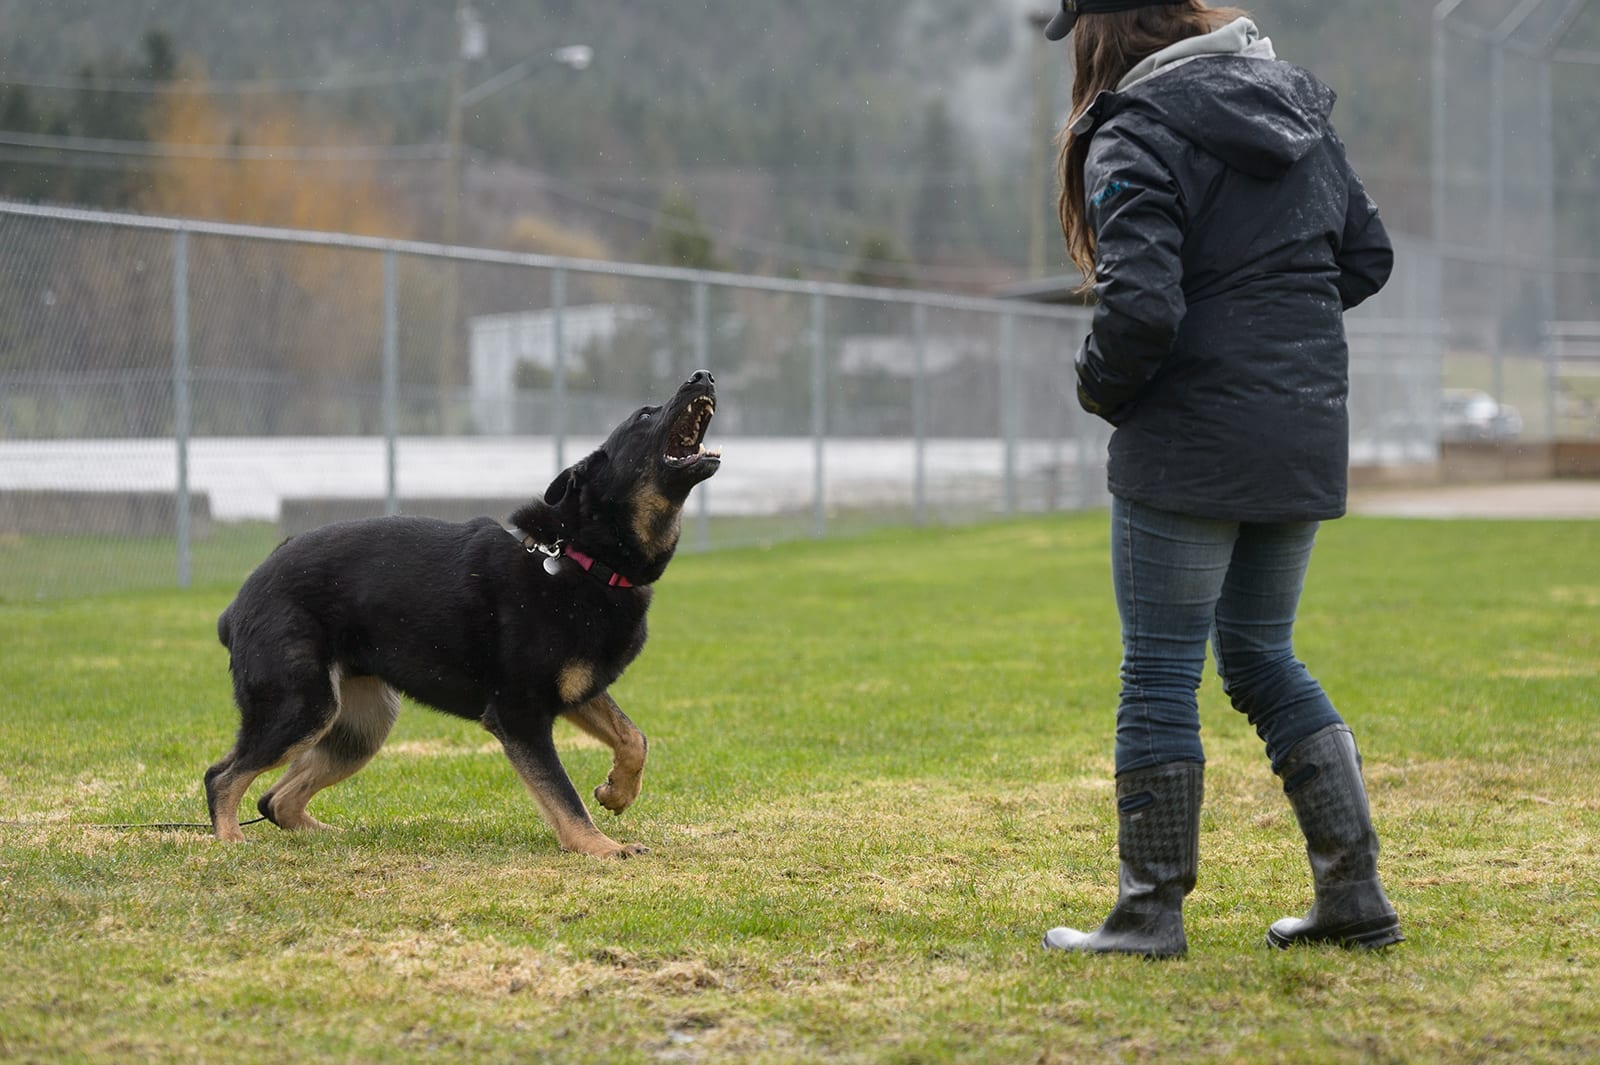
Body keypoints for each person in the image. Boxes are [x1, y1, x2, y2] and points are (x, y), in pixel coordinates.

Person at [1035, 0, 1403, 957]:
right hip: (1301, 437)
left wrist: (1097, 388)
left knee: (1160, 670)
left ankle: (1149, 914)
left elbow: (1141, 311)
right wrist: (1273, 314)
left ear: (1098, 39)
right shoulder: (1295, 111)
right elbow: (1365, 255)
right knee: (1261, 656)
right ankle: (1353, 895)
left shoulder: (1134, 128)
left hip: (1190, 442)